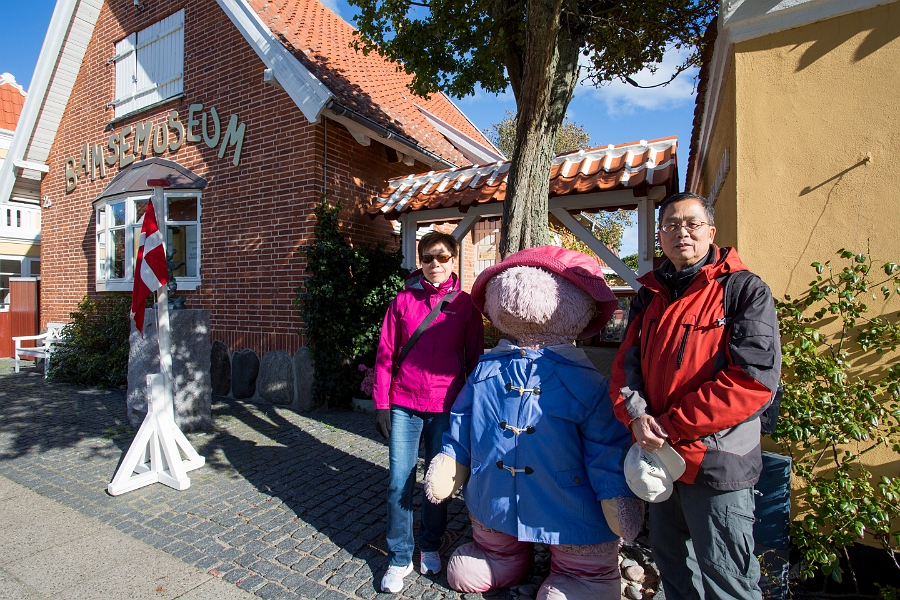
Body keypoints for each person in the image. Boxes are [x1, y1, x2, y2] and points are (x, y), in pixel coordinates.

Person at [610, 192, 781, 600]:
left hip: (717, 462)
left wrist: (669, 426)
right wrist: (635, 416)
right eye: (670, 225)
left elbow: (753, 381)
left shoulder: (743, 290)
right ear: (659, 235)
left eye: (691, 223)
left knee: (727, 580)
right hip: (661, 459)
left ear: (711, 232)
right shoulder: (650, 293)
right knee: (673, 565)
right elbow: (625, 365)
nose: (680, 233)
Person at [373, 231, 484, 594]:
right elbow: (385, 355)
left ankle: (431, 544)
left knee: (437, 484)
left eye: (442, 257)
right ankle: (399, 557)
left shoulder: (466, 306)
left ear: (454, 260)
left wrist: (470, 409)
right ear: (419, 261)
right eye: (427, 258)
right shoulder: (402, 301)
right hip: (404, 404)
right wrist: (382, 404)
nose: (435, 264)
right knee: (398, 481)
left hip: (446, 406)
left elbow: (474, 361)